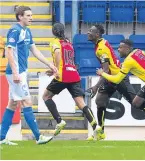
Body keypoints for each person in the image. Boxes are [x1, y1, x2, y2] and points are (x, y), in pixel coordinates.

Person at [87, 25, 145, 141]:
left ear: (97, 34)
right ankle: (100, 131)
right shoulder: (102, 43)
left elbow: (105, 70)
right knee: (100, 101)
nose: (88, 32)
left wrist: (95, 87)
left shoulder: (101, 49)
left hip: (118, 78)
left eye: (91, 31)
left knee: (135, 103)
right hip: (110, 78)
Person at [0, 6, 57, 145]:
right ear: (20, 17)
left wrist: (49, 64)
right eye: (28, 15)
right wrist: (15, 72)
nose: (31, 18)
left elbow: (35, 50)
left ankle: (1, 138)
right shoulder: (15, 30)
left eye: (31, 15)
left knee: (12, 104)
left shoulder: (27, 31)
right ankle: (38, 137)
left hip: (21, 72)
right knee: (27, 102)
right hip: (16, 73)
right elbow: (9, 52)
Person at [42, 23, 99, 138]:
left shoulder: (55, 42)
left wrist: (56, 70)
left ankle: (59, 121)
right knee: (81, 103)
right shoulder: (68, 42)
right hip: (74, 74)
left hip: (62, 75)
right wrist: (54, 69)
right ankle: (96, 127)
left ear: (53, 32)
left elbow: (58, 53)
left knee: (46, 96)